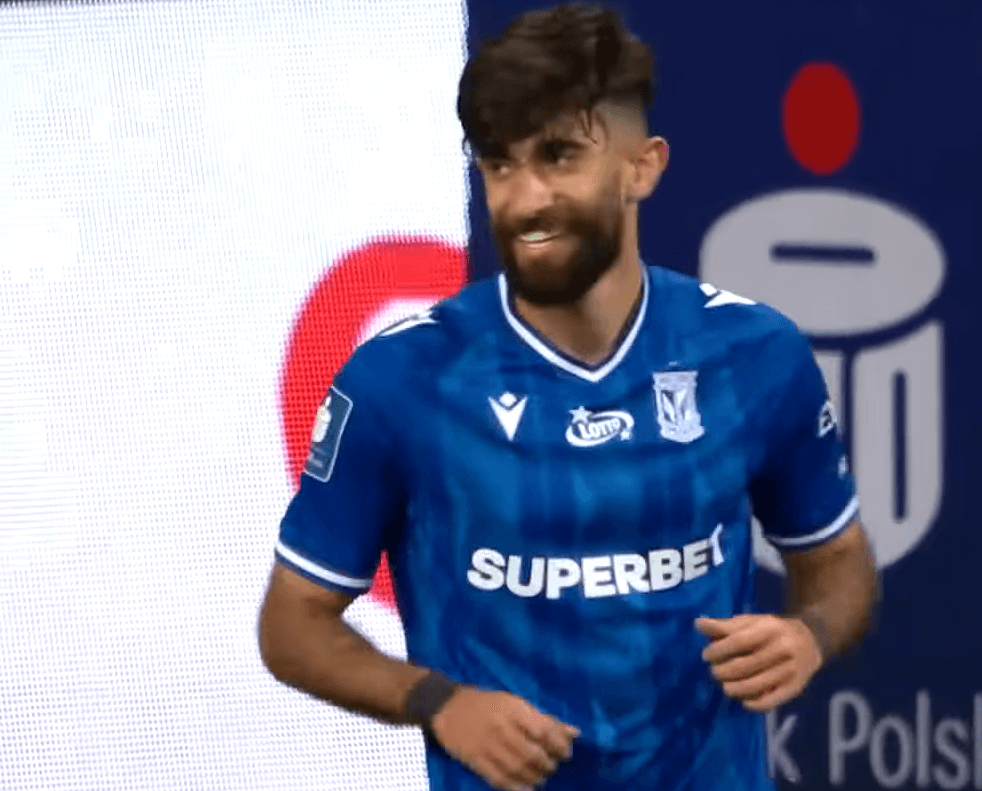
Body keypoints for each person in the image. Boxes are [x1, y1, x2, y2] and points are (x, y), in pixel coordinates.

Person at [256, 3, 879, 790]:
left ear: (641, 167)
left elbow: (839, 561)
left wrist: (808, 634)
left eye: (558, 156)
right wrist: (438, 701)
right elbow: (292, 623)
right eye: (499, 164)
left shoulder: (755, 355)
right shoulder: (401, 380)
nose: (524, 200)